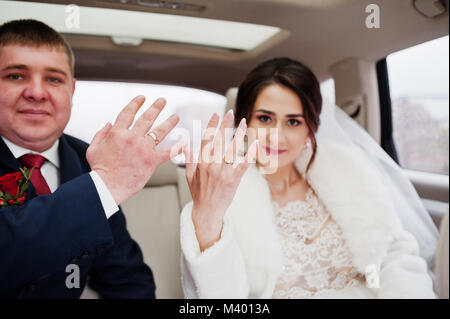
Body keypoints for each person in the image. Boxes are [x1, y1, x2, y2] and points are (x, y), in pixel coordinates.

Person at [179, 57, 437, 298]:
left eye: (293, 122)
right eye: (265, 118)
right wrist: (208, 217)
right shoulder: (220, 197)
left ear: (310, 130)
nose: (276, 136)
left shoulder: (349, 174)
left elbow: (395, 256)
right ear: (243, 122)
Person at [0, 19, 182, 298]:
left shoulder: (88, 163)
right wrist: (103, 185)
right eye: (15, 76)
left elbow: (125, 278)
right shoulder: (102, 176)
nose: (36, 92)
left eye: (53, 79)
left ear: (71, 92)